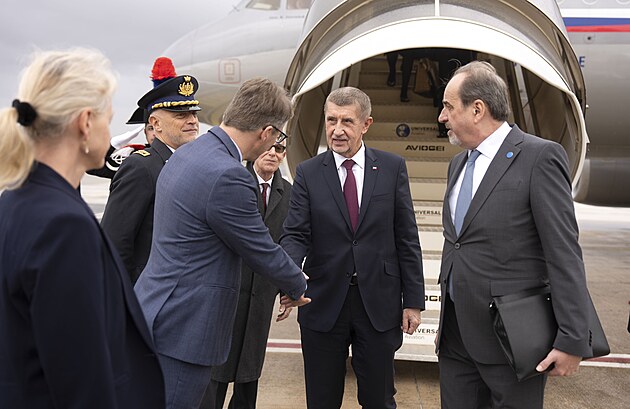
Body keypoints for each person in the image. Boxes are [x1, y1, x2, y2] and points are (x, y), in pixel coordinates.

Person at [0, 48, 164, 408]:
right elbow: (81, 378)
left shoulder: (13, 202)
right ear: (86, 122)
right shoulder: (64, 226)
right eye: (109, 117)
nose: (110, 129)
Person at [134, 77, 310, 409]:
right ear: (266, 132)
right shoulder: (230, 175)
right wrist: (296, 282)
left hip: (156, 310)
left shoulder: (189, 152)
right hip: (185, 329)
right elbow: (259, 246)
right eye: (277, 137)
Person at [436, 61, 594, 409]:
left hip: (512, 339)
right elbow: (459, 243)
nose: (441, 117)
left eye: (448, 106)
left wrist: (572, 338)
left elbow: (563, 252)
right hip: (457, 337)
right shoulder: (458, 164)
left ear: (477, 109)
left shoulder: (539, 157)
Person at [280, 86, 425, 409]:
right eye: (331, 120)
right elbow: (295, 234)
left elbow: (406, 237)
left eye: (347, 121)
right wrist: (288, 279)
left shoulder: (392, 168)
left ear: (366, 124)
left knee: (379, 399)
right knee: (321, 400)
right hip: (322, 301)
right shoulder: (308, 173)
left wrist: (413, 302)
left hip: (379, 305)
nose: (337, 130)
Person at [204, 140, 292, 409]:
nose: (273, 153)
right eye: (268, 147)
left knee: (250, 370)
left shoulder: (289, 193)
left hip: (261, 293)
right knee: (217, 368)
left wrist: (286, 287)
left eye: (279, 149)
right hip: (228, 289)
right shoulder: (233, 183)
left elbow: (289, 241)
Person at [100, 57, 200, 284]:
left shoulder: (191, 164)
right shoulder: (141, 167)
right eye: (181, 115)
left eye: (194, 113)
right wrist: (124, 298)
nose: (192, 121)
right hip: (148, 291)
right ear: (155, 123)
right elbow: (116, 240)